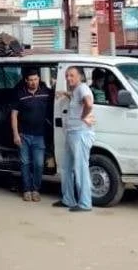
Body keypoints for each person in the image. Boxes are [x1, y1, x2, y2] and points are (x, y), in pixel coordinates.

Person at [53, 67, 96, 213]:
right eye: (67, 75)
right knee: (66, 168)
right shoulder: (76, 90)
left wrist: (84, 116)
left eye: (72, 75)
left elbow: (88, 103)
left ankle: (85, 203)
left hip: (80, 134)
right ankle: (68, 199)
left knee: (80, 169)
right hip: (72, 134)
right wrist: (64, 93)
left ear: (80, 77)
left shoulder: (83, 88)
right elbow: (74, 96)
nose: (68, 78)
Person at [10, 66, 53, 202]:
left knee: (39, 164)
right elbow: (14, 115)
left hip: (40, 136)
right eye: (31, 80)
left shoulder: (46, 92)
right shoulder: (20, 94)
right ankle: (27, 190)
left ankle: (36, 189)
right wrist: (16, 134)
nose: (33, 82)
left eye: (35, 79)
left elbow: (57, 96)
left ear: (39, 79)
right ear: (26, 81)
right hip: (23, 135)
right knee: (25, 163)